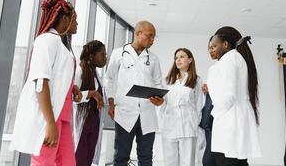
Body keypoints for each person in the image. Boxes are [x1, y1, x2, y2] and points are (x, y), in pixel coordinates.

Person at [9, 0, 80, 166]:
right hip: (49, 117)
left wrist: (71, 87)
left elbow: (57, 79)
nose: (76, 24)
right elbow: (40, 82)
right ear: (64, 19)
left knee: (67, 162)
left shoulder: (60, 45)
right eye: (74, 19)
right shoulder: (46, 41)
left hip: (62, 117)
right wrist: (49, 123)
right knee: (44, 163)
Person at [105, 20, 164, 166]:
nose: (152, 40)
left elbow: (158, 83)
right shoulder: (118, 54)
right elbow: (109, 79)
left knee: (146, 157)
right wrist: (111, 103)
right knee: (121, 157)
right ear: (138, 34)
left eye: (154, 37)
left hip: (147, 113)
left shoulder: (154, 59)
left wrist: (160, 99)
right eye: (149, 36)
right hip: (125, 112)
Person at [207, 26, 261, 166]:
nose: (211, 49)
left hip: (229, 119)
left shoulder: (229, 59)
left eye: (214, 45)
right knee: (238, 161)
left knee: (226, 161)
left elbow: (229, 95)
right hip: (236, 117)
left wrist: (214, 113)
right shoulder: (236, 58)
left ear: (225, 44)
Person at [160, 48, 204, 166]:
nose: (178, 60)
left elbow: (200, 104)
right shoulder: (167, 80)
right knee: (170, 162)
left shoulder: (196, 80)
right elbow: (163, 105)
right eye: (176, 58)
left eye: (182, 57)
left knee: (188, 162)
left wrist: (198, 127)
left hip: (188, 126)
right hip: (169, 125)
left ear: (190, 60)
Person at [74, 40, 106, 166]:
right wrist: (92, 93)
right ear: (92, 56)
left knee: (88, 160)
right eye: (102, 55)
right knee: (79, 159)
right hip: (82, 121)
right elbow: (73, 96)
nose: (105, 58)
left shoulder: (96, 74)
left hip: (94, 122)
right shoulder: (79, 71)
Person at [200, 36, 217, 166]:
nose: (210, 51)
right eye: (209, 48)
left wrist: (212, 89)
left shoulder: (223, 67)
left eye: (213, 47)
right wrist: (208, 89)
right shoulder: (214, 68)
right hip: (209, 119)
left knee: (209, 160)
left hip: (217, 118)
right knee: (209, 157)